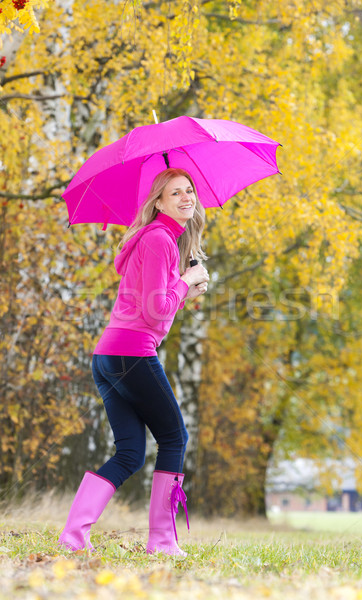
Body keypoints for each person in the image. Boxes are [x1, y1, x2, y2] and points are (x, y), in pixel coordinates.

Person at [58, 168, 209, 557]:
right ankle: (161, 541)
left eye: (189, 190)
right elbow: (157, 310)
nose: (186, 198)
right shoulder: (160, 239)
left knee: (129, 453)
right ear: (158, 202)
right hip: (132, 353)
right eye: (175, 193)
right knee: (174, 437)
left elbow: (152, 306)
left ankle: (74, 534)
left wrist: (186, 286)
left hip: (107, 356)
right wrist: (185, 281)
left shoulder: (154, 239)